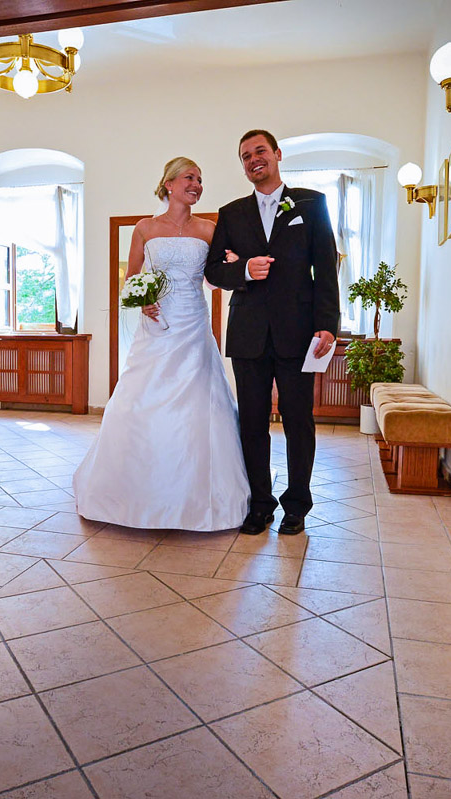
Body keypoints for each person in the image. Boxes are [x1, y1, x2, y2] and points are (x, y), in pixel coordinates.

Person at [73, 157, 250, 531]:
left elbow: (215, 276)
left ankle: (200, 494)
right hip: (156, 326)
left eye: (200, 179)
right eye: (190, 177)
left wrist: (235, 263)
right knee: (142, 396)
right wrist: (142, 300)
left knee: (199, 397)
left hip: (193, 322)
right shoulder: (145, 228)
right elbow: (132, 277)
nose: (197, 184)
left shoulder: (209, 229)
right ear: (169, 184)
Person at [205, 130, 340, 536]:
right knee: (252, 422)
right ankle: (260, 504)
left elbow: (325, 267)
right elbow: (213, 271)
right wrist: (244, 270)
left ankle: (296, 505)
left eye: (259, 151)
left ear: (278, 154)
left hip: (299, 332)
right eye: (245, 156)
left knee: (298, 420)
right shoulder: (231, 213)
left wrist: (327, 324)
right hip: (248, 333)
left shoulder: (311, 204)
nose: (253, 160)